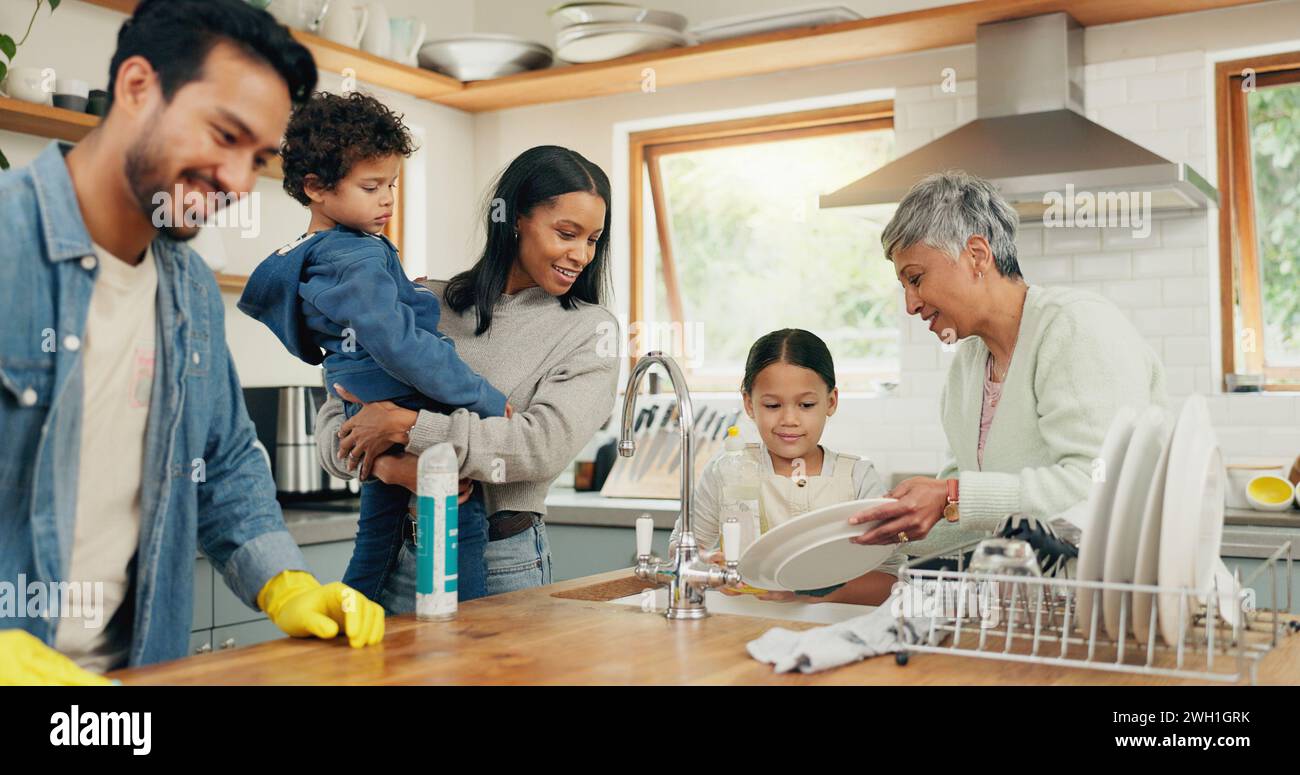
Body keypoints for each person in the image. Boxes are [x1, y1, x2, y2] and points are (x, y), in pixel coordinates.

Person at [0, 0, 384, 685]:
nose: (239, 181)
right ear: (137, 87)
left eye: (258, 157)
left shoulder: (191, 292)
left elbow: (225, 461)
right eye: (223, 134)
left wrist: (285, 581)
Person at [314, 146, 621, 608]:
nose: (581, 255)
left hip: (502, 562)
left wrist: (407, 427)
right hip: (393, 551)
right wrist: (389, 469)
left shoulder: (589, 330)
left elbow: (538, 447)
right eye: (566, 233)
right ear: (514, 218)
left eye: (593, 240)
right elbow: (340, 414)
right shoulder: (423, 301)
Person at [237, 91, 509, 606]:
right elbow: (402, 346)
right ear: (316, 188)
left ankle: (346, 621)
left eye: (392, 184)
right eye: (371, 186)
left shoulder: (317, 253)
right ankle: (474, 632)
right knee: (462, 516)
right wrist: (485, 399)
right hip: (406, 399)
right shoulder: (353, 258)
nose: (387, 199)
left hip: (367, 403)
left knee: (376, 537)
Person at [848, 171, 1167, 558]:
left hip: (1128, 600)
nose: (911, 304)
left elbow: (1099, 483)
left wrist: (952, 496)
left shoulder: (1074, 325)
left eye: (915, 279)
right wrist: (873, 543)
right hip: (1036, 607)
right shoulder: (968, 364)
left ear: (977, 255)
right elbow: (963, 517)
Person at [671, 329, 901, 606]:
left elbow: (891, 581)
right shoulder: (726, 470)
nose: (789, 419)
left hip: (832, 635)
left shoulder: (857, 477)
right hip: (739, 629)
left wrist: (809, 592)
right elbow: (681, 555)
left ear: (831, 402)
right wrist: (708, 566)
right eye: (772, 405)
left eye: (806, 404)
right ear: (749, 404)